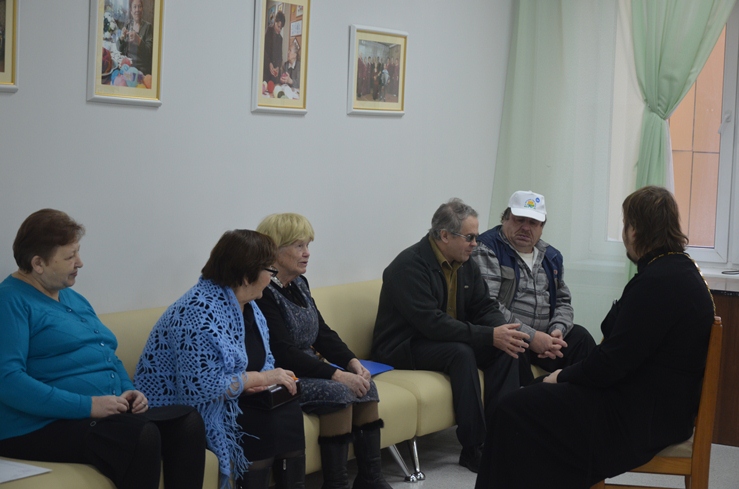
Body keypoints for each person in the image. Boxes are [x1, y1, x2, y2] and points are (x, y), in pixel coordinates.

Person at [474, 186, 716, 489]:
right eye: (519, 220)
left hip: (638, 417)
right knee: (530, 398)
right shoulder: (678, 270)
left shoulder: (658, 281)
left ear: (635, 230)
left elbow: (612, 363)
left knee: (512, 409)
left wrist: (562, 376)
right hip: (658, 407)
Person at [0, 209, 206, 489]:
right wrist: (89, 406)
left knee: (187, 422)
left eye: (78, 252)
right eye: (70, 256)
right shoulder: (10, 301)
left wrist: (127, 390)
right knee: (141, 434)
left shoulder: (72, 297)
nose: (80, 262)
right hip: (37, 426)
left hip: (97, 417)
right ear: (38, 263)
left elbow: (106, 353)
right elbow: (8, 380)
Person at [134, 230, 305, 489]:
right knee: (261, 419)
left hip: (236, 397)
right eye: (269, 270)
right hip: (185, 411)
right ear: (247, 274)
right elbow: (200, 388)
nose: (272, 277)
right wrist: (254, 379)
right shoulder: (197, 312)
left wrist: (261, 382)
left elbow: (265, 359)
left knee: (287, 407)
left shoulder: (250, 306)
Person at [371, 198, 528, 473]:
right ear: (445, 235)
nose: (475, 244)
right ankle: (473, 447)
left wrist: (503, 332)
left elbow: (483, 306)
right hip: (403, 346)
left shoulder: (465, 262)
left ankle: (501, 439)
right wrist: (488, 335)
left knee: (507, 349)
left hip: (443, 339)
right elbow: (432, 324)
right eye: (470, 237)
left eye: (476, 237)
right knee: (460, 353)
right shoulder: (408, 266)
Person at [256, 213, 391, 489]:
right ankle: (336, 484)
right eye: (299, 246)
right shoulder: (263, 292)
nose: (307, 253)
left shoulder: (299, 283)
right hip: (285, 375)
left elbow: (322, 333)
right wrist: (336, 375)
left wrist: (351, 362)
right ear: (275, 249)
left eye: (308, 245)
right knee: (339, 391)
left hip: (312, 368)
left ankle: (370, 479)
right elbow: (283, 352)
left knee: (367, 387)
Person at [472, 190, 596, 385]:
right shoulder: (487, 248)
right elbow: (489, 305)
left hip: (544, 337)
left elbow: (563, 301)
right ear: (505, 219)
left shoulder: (551, 256)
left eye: (533, 223)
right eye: (519, 220)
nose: (525, 228)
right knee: (514, 343)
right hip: (508, 334)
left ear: (541, 227)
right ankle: (528, 398)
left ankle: (584, 400)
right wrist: (532, 337)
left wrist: (557, 331)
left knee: (581, 339)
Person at [117, 0, 153, 75]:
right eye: (135, 7)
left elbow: (149, 53)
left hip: (140, 69)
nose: (137, 10)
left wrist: (138, 40)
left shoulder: (148, 27)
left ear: (142, 9)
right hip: (126, 65)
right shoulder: (128, 24)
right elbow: (119, 49)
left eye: (139, 6)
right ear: (131, 11)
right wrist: (122, 38)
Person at [263, 10, 285, 85]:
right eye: (278, 27)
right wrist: (269, 63)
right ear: (275, 22)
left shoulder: (280, 38)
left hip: (274, 74)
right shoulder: (268, 31)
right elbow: (263, 50)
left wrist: (278, 67)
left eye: (281, 28)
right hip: (265, 70)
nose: (279, 30)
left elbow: (280, 56)